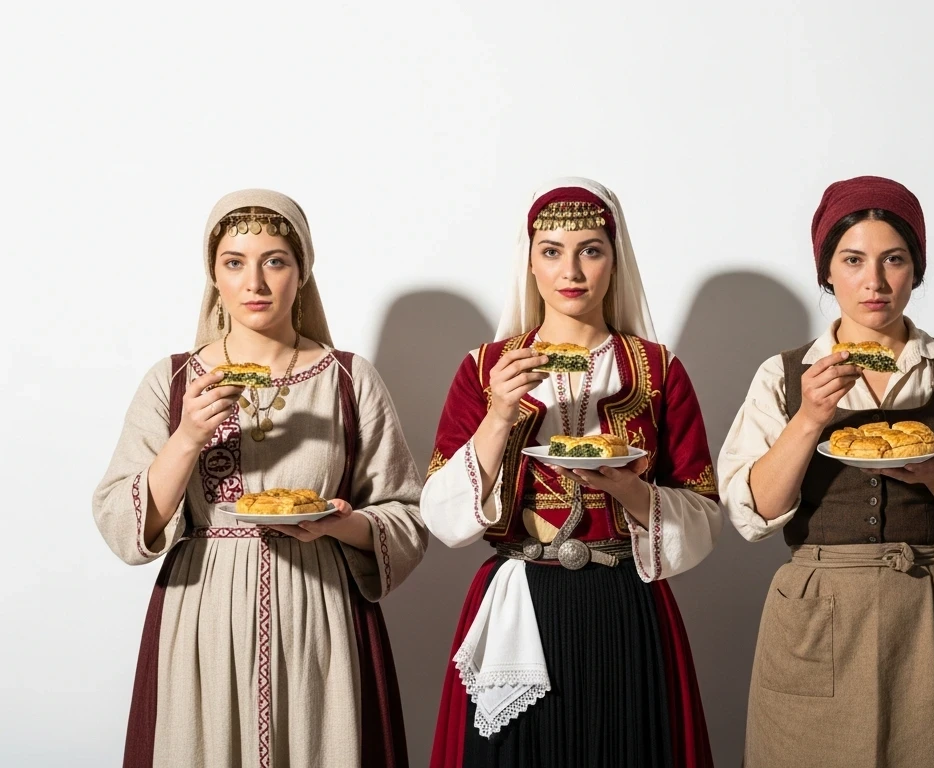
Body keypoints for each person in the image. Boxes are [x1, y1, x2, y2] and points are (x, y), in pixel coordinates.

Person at [93, 188, 427, 767]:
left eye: (275, 260)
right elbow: (124, 527)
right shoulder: (173, 382)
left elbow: (407, 517)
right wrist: (187, 438)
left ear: (302, 274)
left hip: (321, 613)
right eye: (234, 263)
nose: (256, 283)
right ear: (213, 276)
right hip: (202, 616)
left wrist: (340, 525)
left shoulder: (348, 380)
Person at [718, 175, 934, 767]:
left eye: (895, 259)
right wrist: (810, 418)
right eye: (854, 259)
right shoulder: (783, 375)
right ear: (826, 271)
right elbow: (750, 514)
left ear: (916, 269)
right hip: (817, 611)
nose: (876, 281)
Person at [423, 178, 720, 767]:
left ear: (615, 260)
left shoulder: (658, 370)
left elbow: (705, 511)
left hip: (624, 603)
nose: (572, 270)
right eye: (552, 250)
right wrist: (499, 414)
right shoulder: (485, 369)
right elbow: (442, 515)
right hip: (519, 596)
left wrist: (632, 491)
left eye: (591, 249)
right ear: (529, 262)